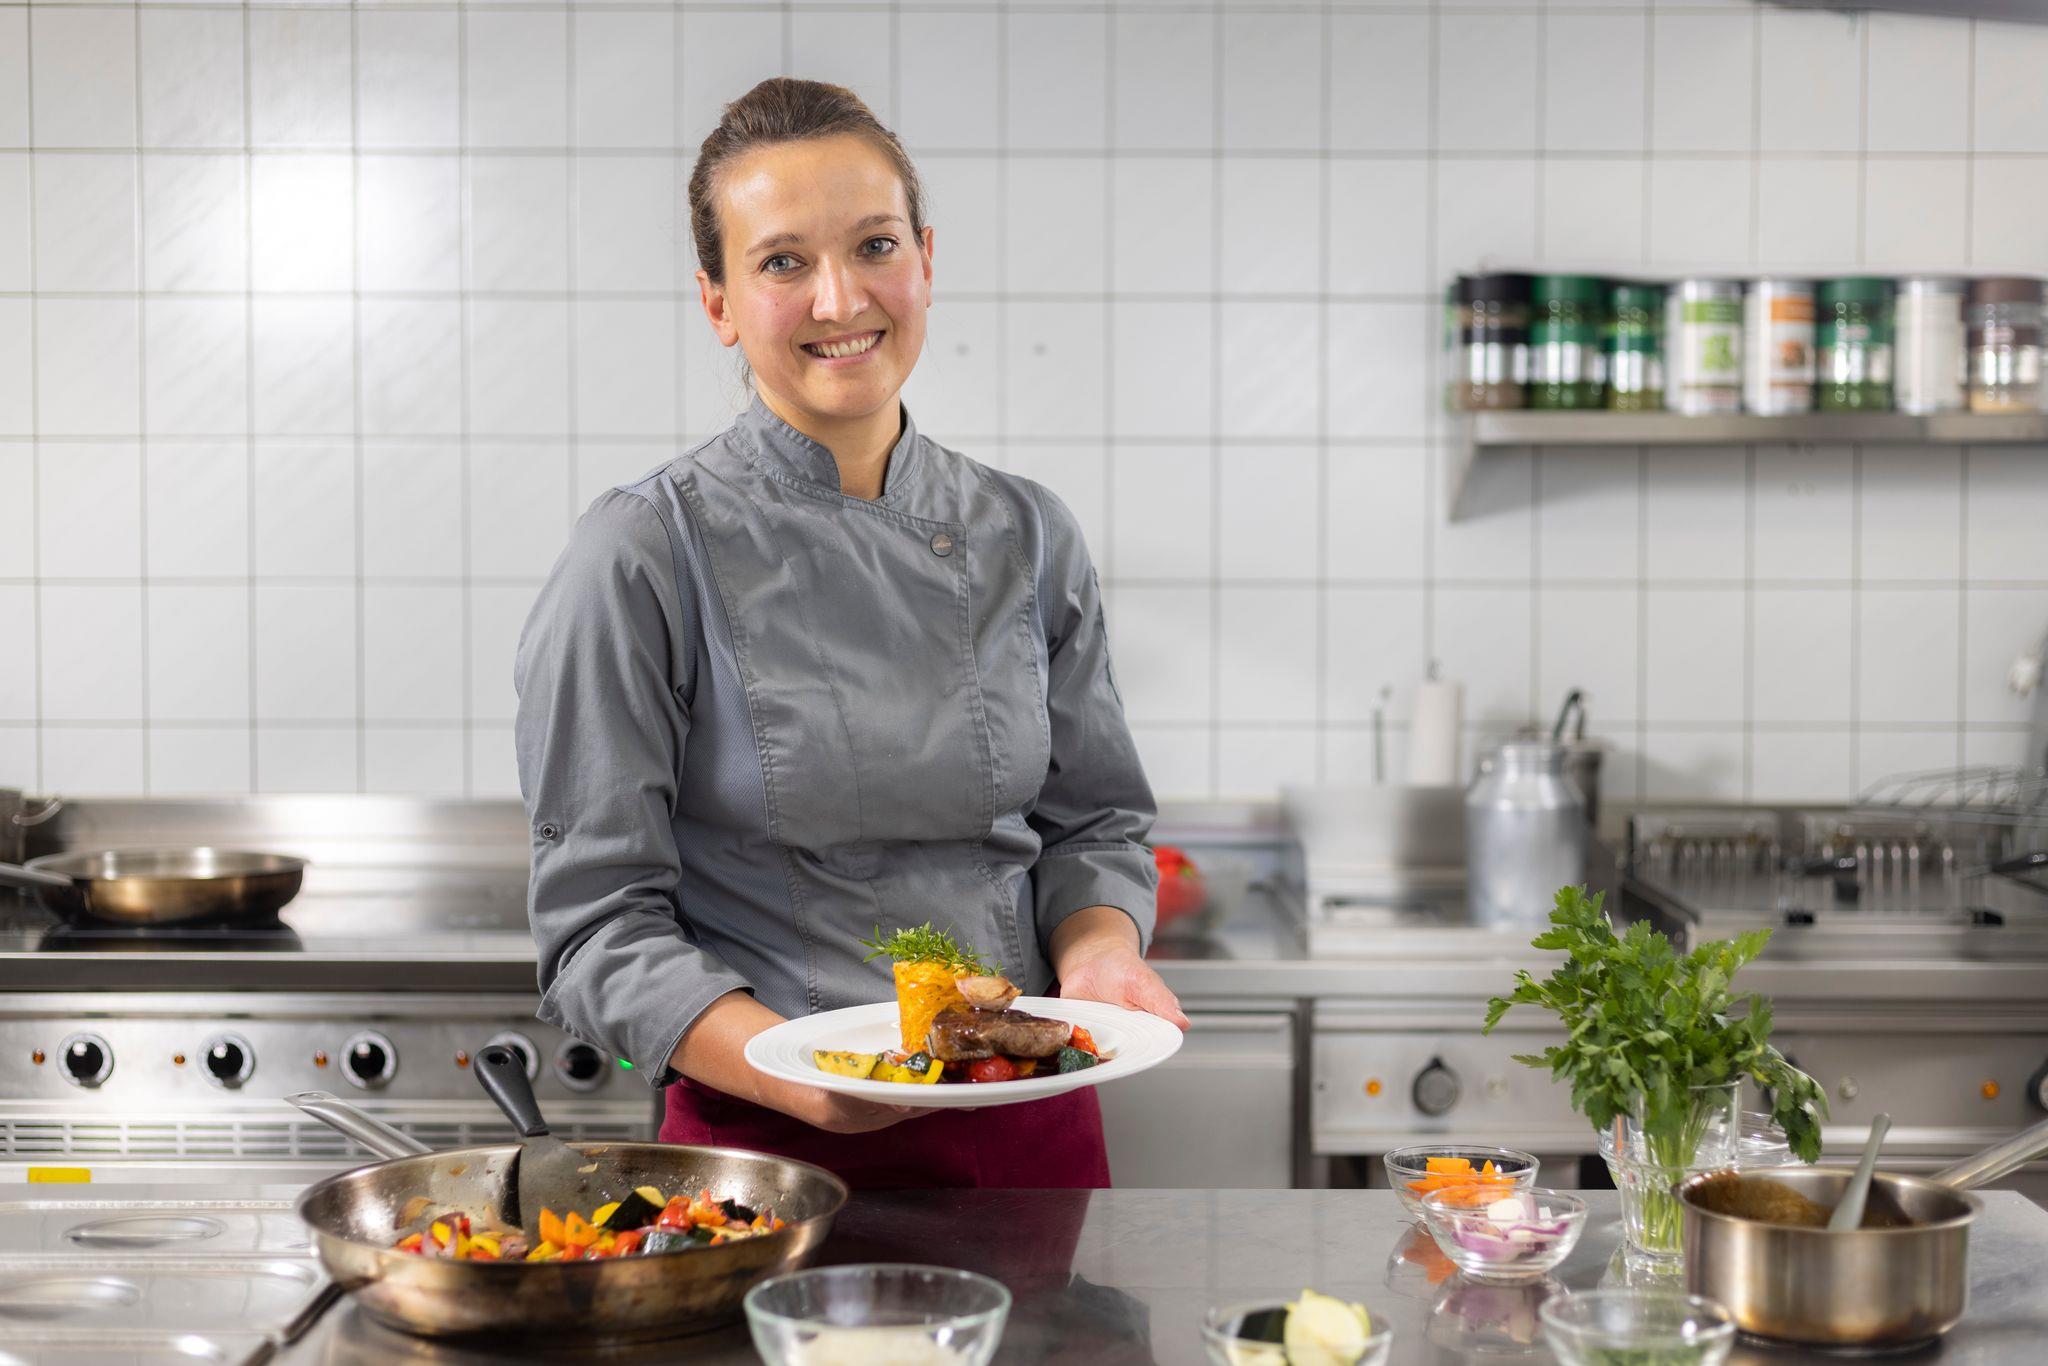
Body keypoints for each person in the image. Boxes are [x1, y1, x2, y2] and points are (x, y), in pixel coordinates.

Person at [514, 77, 1186, 1190]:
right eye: (782, 261)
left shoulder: (1027, 532)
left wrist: (1100, 954)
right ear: (718, 303)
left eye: (875, 245)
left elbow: (1093, 823)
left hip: (1028, 1120)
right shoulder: (639, 554)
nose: (840, 298)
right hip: (770, 1151)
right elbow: (595, 930)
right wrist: (802, 1078)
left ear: (925, 260)